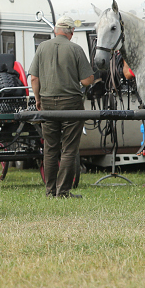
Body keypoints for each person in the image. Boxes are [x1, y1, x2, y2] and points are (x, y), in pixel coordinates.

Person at [28, 15, 94, 198]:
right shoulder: (76, 49)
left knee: (50, 148)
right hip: (71, 103)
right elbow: (87, 80)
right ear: (71, 32)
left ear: (56, 30)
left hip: (47, 103)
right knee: (69, 148)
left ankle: (50, 191)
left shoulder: (42, 47)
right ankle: (63, 191)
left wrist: (38, 99)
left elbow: (34, 77)